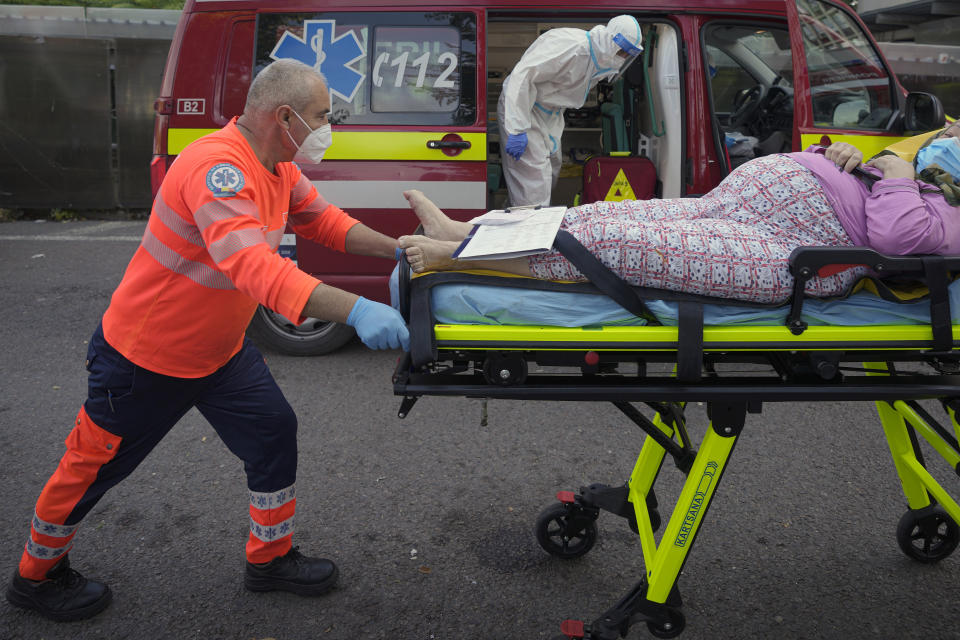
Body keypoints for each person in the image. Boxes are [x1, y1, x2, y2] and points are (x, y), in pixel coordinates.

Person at [6, 59, 409, 622]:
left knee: (273, 432)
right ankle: (36, 574)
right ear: (285, 116)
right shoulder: (217, 167)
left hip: (219, 355)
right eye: (322, 117)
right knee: (92, 468)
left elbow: (327, 223)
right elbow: (253, 266)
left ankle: (269, 560)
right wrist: (357, 308)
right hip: (145, 359)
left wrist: (399, 250)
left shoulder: (278, 164)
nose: (328, 128)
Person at [399, 128, 960, 305]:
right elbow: (887, 183)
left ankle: (460, 255)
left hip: (803, 248)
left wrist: (894, 173)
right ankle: (473, 230)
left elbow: (899, 235)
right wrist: (855, 158)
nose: (951, 134)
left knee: (620, 247)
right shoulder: (929, 164)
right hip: (749, 201)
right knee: (603, 216)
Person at [498, 15, 644, 207]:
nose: (623, 57)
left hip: (550, 113)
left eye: (628, 54)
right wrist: (517, 128)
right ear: (612, 41)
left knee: (552, 169)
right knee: (534, 180)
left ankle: (521, 216)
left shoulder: (599, 58)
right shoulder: (571, 46)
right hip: (523, 106)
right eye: (623, 51)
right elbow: (522, 76)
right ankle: (529, 231)